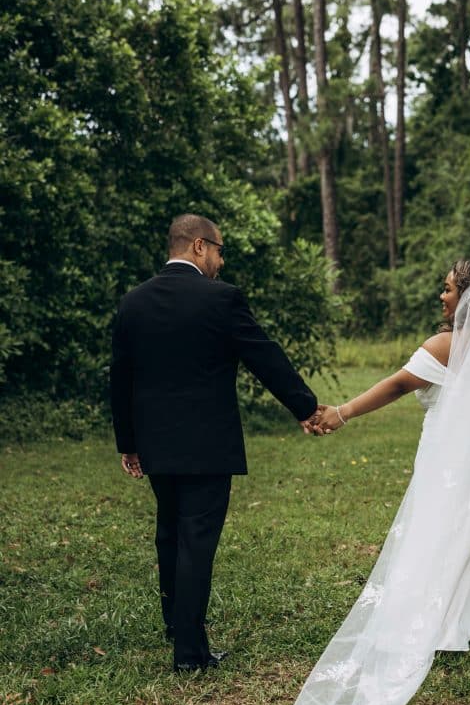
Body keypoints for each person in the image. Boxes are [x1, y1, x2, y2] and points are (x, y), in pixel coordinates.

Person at [279, 261, 470, 705]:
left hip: (465, 450)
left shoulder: (447, 346)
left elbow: (399, 384)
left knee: (442, 533)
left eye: (446, 290)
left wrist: (339, 413)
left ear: (468, 297)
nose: (440, 298)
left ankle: (440, 624)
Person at [110, 213, 320, 673]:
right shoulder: (222, 300)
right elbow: (264, 355)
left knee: (170, 533)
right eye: (221, 251)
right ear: (200, 246)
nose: (221, 262)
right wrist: (305, 406)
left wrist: (129, 443)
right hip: (208, 446)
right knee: (196, 541)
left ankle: (175, 625)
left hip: (156, 446)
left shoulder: (133, 302)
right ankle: (190, 653)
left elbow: (120, 379)